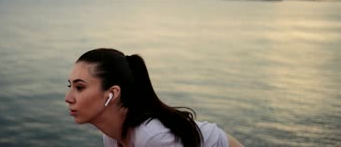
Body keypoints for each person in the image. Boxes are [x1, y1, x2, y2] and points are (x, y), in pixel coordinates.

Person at [65, 48, 244, 147]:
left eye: (80, 87)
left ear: (112, 94)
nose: (68, 97)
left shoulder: (152, 137)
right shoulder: (112, 137)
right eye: (70, 86)